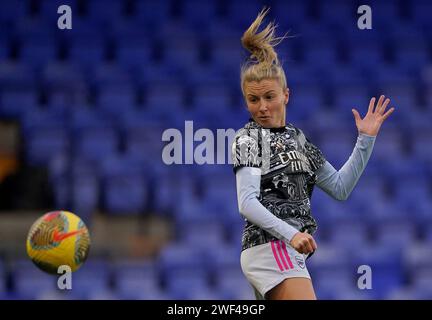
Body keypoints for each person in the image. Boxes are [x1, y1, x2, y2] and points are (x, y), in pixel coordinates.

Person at [231, 8, 395, 300]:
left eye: (269, 97)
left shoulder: (301, 143)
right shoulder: (248, 138)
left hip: (284, 250)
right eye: (253, 99)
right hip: (271, 247)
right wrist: (291, 234)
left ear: (286, 95)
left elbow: (340, 188)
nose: (262, 107)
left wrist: (365, 140)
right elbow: (246, 203)